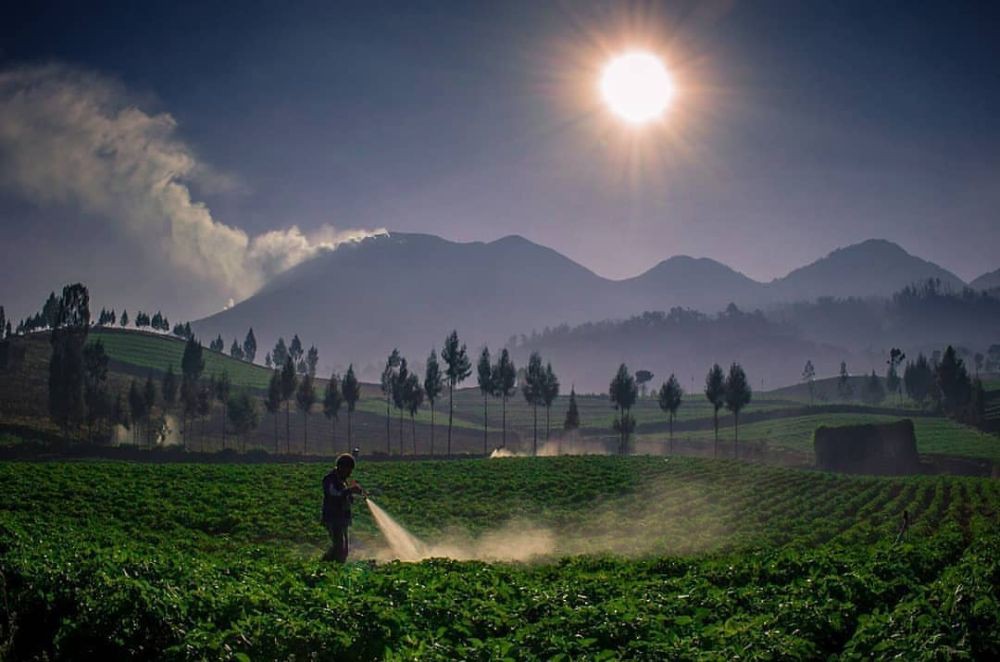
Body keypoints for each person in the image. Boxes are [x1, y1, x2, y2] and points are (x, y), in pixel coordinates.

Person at [322, 453, 365, 562]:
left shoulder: (342, 480)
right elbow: (334, 494)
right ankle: (325, 566)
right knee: (339, 548)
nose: (350, 473)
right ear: (342, 467)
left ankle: (333, 567)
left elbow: (345, 496)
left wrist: (354, 493)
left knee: (343, 550)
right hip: (333, 518)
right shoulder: (330, 479)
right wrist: (350, 490)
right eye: (349, 470)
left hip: (342, 519)